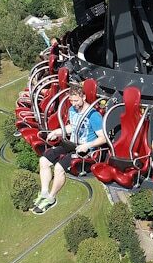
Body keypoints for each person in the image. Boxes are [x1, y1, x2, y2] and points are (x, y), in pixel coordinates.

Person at [33, 84, 106, 214]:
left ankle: (51, 198)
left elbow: (103, 138)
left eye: (76, 100)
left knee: (59, 168)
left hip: (84, 149)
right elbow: (72, 127)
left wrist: (87, 145)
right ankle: (44, 192)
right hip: (71, 144)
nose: (74, 103)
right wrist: (58, 131)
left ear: (83, 97)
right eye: (71, 101)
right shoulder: (72, 110)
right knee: (44, 160)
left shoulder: (93, 115)